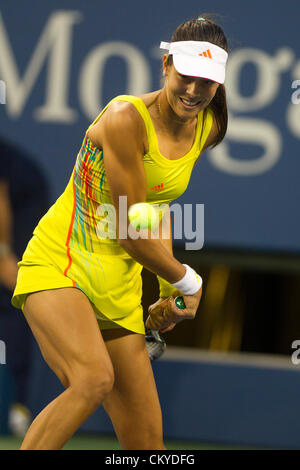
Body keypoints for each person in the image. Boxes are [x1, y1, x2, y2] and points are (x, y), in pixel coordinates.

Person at [11, 14, 229, 450]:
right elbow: (131, 230)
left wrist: (169, 289)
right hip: (61, 264)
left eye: (206, 82)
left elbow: (156, 210)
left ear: (218, 85)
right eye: (186, 75)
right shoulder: (124, 118)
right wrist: (189, 279)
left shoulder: (208, 128)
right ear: (166, 65)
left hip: (119, 285)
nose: (192, 90)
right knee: (91, 379)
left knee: (148, 447)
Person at [0, 138, 50, 435]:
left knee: (13, 293)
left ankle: (15, 405)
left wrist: (4, 254)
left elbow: (0, 199)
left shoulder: (17, 171)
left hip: (22, 202)